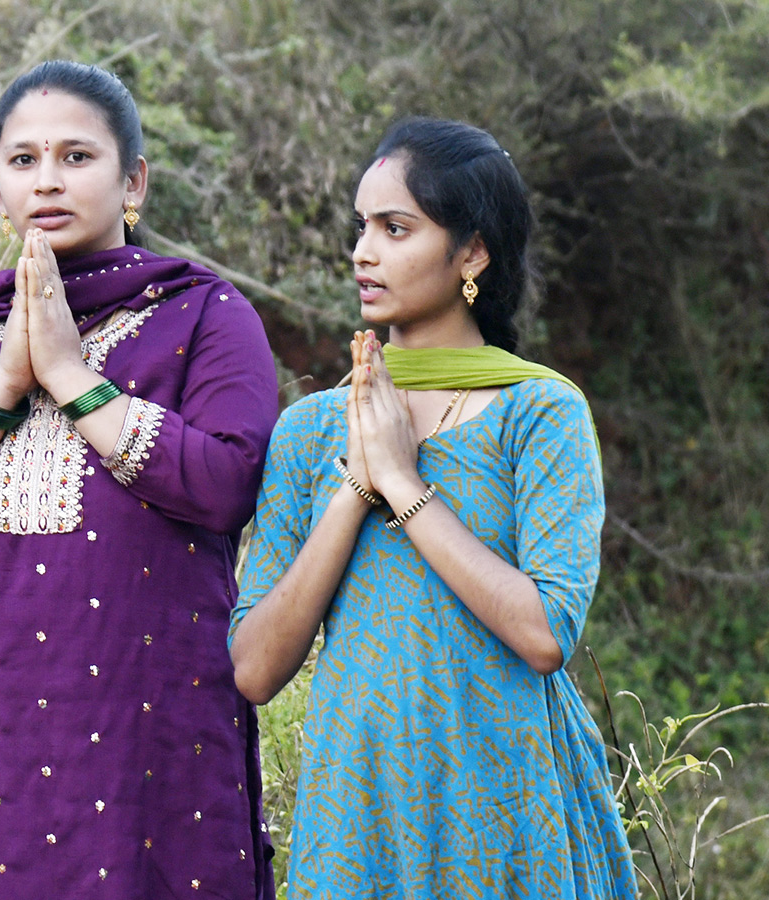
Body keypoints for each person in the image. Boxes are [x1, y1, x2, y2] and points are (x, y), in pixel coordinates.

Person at [0, 60, 278, 899]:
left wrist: (76, 379)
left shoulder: (205, 316)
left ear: (134, 181)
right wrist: (4, 384)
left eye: (77, 157)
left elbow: (228, 482)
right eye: (23, 160)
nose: (48, 179)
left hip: (154, 735)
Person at [229, 117, 639, 898]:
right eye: (361, 227)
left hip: (506, 806)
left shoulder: (539, 413)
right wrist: (358, 484)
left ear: (473, 252)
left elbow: (546, 633)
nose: (363, 251)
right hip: (357, 813)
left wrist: (406, 484)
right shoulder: (313, 428)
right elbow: (253, 668)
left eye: (395, 228)